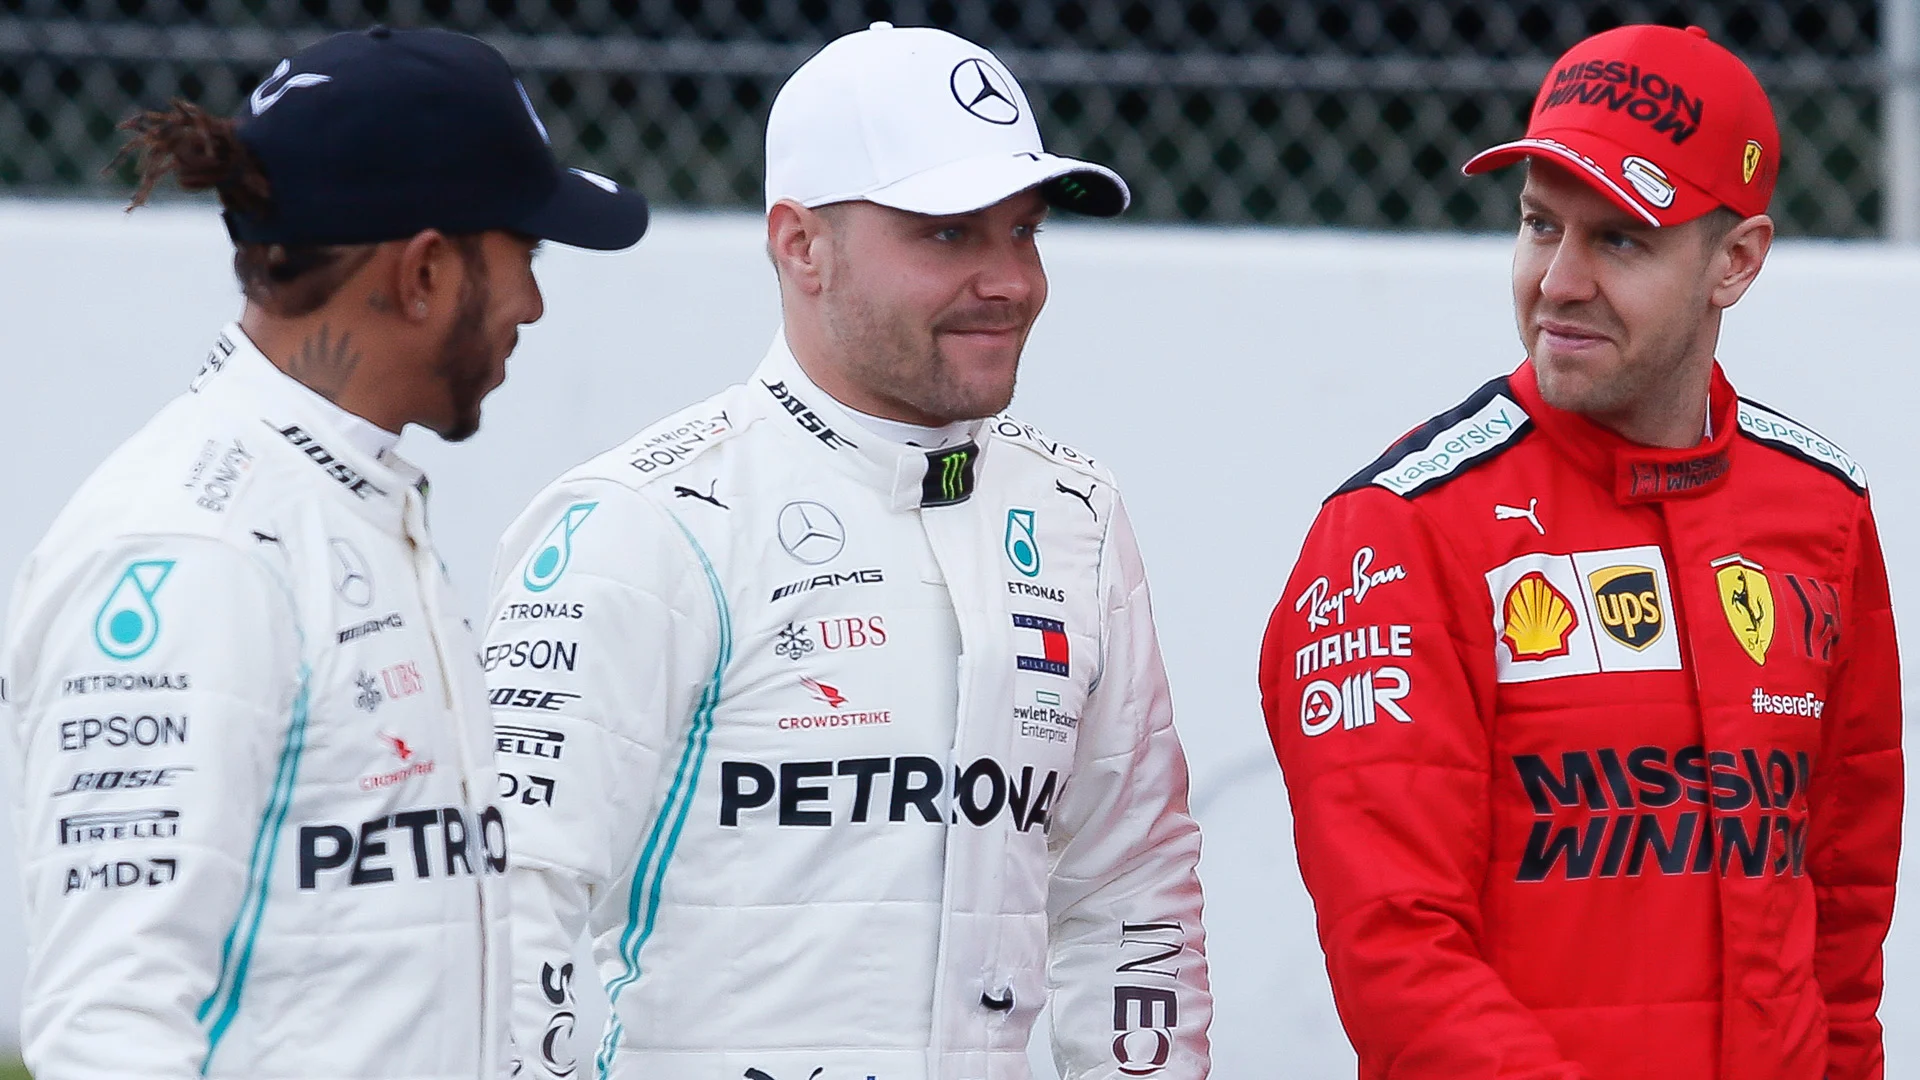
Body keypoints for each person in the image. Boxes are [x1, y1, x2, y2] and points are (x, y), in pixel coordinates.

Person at [485, 22, 1210, 1080]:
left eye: (1025, 231)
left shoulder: (1077, 516)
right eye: (951, 236)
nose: (1012, 279)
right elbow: (508, 907)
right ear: (799, 245)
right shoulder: (646, 520)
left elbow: (1129, 894)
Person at [2, 26, 647, 1080]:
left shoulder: (341, 502)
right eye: (525, 252)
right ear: (426, 271)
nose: (533, 301)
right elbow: (111, 1025)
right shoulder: (196, 547)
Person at [1259, 23, 1901, 1080]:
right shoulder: (1396, 531)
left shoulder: (1823, 509)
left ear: (1734, 261)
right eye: (1538, 225)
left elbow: (1843, 920)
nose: (1557, 281)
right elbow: (1398, 954)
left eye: (1620, 240)